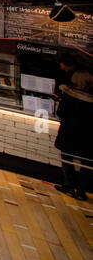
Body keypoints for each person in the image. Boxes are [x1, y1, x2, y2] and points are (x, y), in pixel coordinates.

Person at [55, 68, 93, 201]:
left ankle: (69, 186)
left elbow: (60, 113)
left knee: (67, 158)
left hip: (69, 132)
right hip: (89, 136)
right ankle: (82, 191)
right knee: (87, 163)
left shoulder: (69, 95)